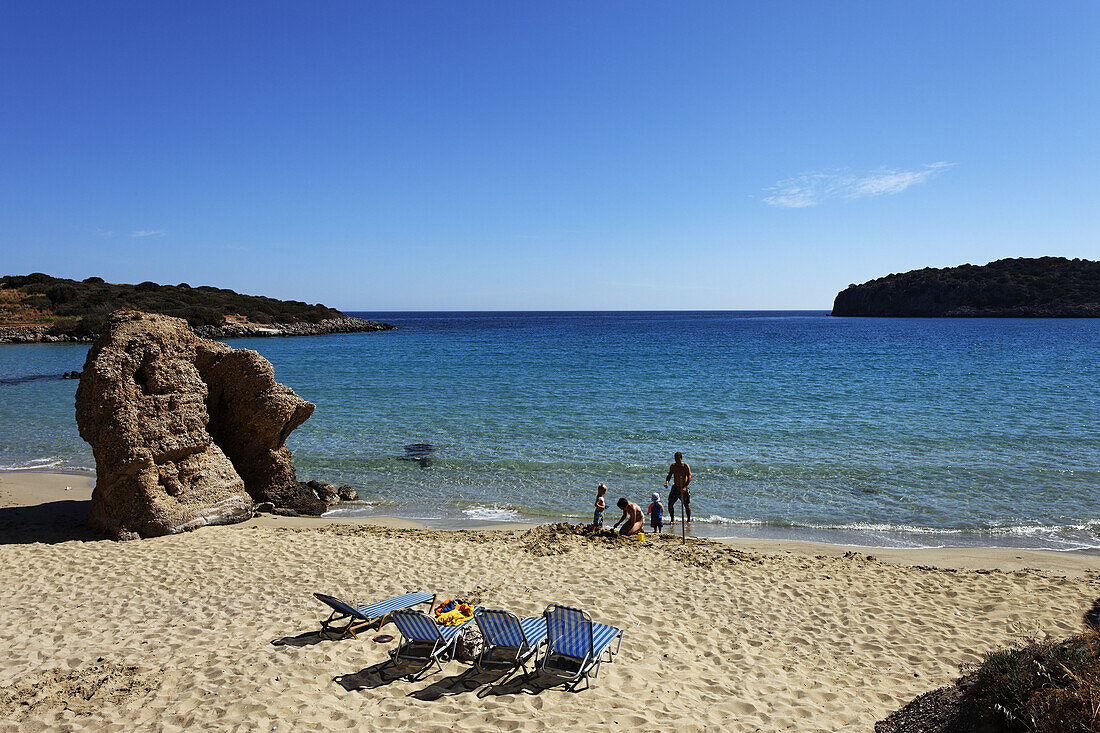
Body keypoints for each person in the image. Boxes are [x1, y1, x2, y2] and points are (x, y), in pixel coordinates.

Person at [664, 451, 692, 524]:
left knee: (686, 504)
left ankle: (688, 520)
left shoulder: (685, 466)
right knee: (670, 503)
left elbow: (689, 477)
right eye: (675, 459)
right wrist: (667, 481)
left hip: (684, 487)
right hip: (675, 487)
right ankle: (672, 519)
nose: (676, 460)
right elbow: (669, 475)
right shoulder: (673, 466)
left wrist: (685, 486)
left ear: (681, 458)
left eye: (678, 459)